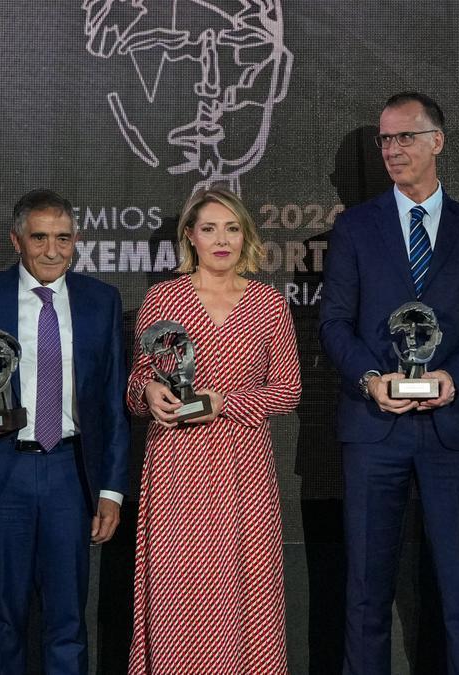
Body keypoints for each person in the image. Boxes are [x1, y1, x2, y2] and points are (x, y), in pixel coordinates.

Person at [319, 92, 459, 674]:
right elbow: (334, 324)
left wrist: (455, 375)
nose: (393, 150)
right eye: (385, 140)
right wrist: (371, 378)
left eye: (405, 137)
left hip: (452, 429)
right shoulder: (354, 228)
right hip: (375, 428)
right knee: (366, 589)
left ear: (437, 141)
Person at [0, 189, 130, 674]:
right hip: (3, 474)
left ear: (76, 241)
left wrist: (110, 490)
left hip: (71, 475)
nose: (52, 250)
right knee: (2, 621)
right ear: (16, 240)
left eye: (63, 238)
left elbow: (111, 403)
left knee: (68, 621)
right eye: (40, 237)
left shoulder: (100, 301)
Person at [126, 186, 301, 674]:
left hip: (242, 468)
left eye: (231, 228)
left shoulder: (267, 302)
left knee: (247, 589)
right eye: (209, 229)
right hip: (177, 468)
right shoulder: (163, 297)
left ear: (244, 235)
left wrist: (226, 403)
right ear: (190, 237)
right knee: (179, 588)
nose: (221, 239)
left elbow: (287, 391)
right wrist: (149, 393)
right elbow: (137, 386)